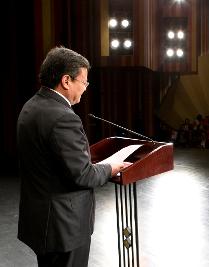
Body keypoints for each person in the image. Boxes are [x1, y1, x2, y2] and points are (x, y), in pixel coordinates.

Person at [16, 46, 129, 267]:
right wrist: (111, 167)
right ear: (66, 81)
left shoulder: (31, 106)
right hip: (64, 227)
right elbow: (82, 176)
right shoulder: (63, 117)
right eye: (84, 82)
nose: (85, 88)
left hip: (42, 222)